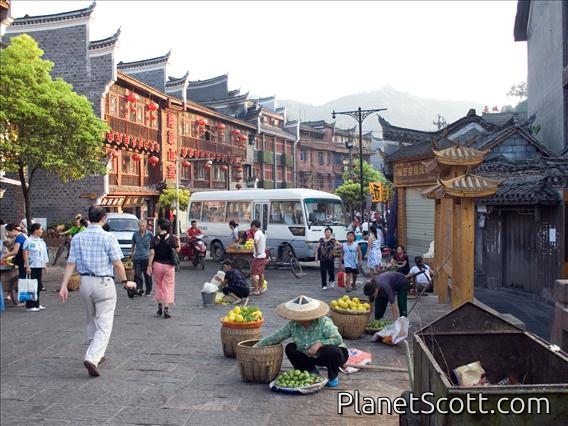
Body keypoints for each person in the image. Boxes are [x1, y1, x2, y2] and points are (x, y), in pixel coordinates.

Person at [59, 205, 136, 377]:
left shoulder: (78, 237)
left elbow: (70, 263)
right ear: (103, 219)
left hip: (85, 282)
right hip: (104, 282)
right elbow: (117, 263)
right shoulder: (108, 237)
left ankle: (96, 351)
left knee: (91, 318)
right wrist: (125, 281)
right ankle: (92, 357)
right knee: (105, 323)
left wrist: (64, 285)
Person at [255, 295, 348, 388]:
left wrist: (319, 344)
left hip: (331, 355)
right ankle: (311, 372)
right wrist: (258, 345)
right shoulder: (293, 325)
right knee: (290, 348)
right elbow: (277, 336)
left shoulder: (323, 322)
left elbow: (337, 339)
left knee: (331, 350)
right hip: (309, 355)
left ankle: (333, 377)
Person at [147, 218, 180, 319]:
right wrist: (178, 241)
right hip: (169, 266)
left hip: (157, 265)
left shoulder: (154, 238)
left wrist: (149, 265)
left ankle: (159, 307)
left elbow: (152, 253)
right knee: (168, 286)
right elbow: (177, 250)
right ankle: (166, 309)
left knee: (159, 286)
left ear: (160, 226)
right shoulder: (172, 238)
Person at [22, 223, 49, 309]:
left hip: (39, 266)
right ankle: (30, 305)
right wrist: (27, 265)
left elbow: (43, 254)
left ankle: (37, 303)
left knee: (38, 285)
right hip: (32, 266)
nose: (42, 231)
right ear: (36, 230)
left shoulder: (41, 242)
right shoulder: (29, 241)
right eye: (41, 229)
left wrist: (44, 265)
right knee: (31, 286)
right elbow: (25, 253)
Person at [5, 224, 28, 306]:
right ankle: (24, 300)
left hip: (23, 262)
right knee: (23, 280)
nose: (8, 234)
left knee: (23, 281)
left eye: (8, 232)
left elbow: (15, 251)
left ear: (13, 231)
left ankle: (24, 300)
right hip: (23, 262)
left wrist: (6, 255)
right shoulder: (22, 236)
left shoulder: (19, 238)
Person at [131, 220, 153, 296]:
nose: (141, 227)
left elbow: (153, 246)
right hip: (137, 257)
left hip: (147, 257)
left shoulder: (150, 234)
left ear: (146, 226)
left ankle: (148, 290)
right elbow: (133, 245)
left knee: (147, 275)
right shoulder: (135, 234)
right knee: (137, 274)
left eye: (143, 226)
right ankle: (139, 289)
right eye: (140, 226)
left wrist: (152, 256)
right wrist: (132, 254)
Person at [250, 219, 268, 296]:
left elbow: (255, 242)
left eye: (251, 226)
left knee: (253, 274)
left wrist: (256, 251)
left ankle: (256, 290)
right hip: (263, 256)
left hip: (258, 257)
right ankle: (260, 288)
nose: (251, 228)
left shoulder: (257, 233)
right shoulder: (261, 233)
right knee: (261, 273)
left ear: (254, 226)